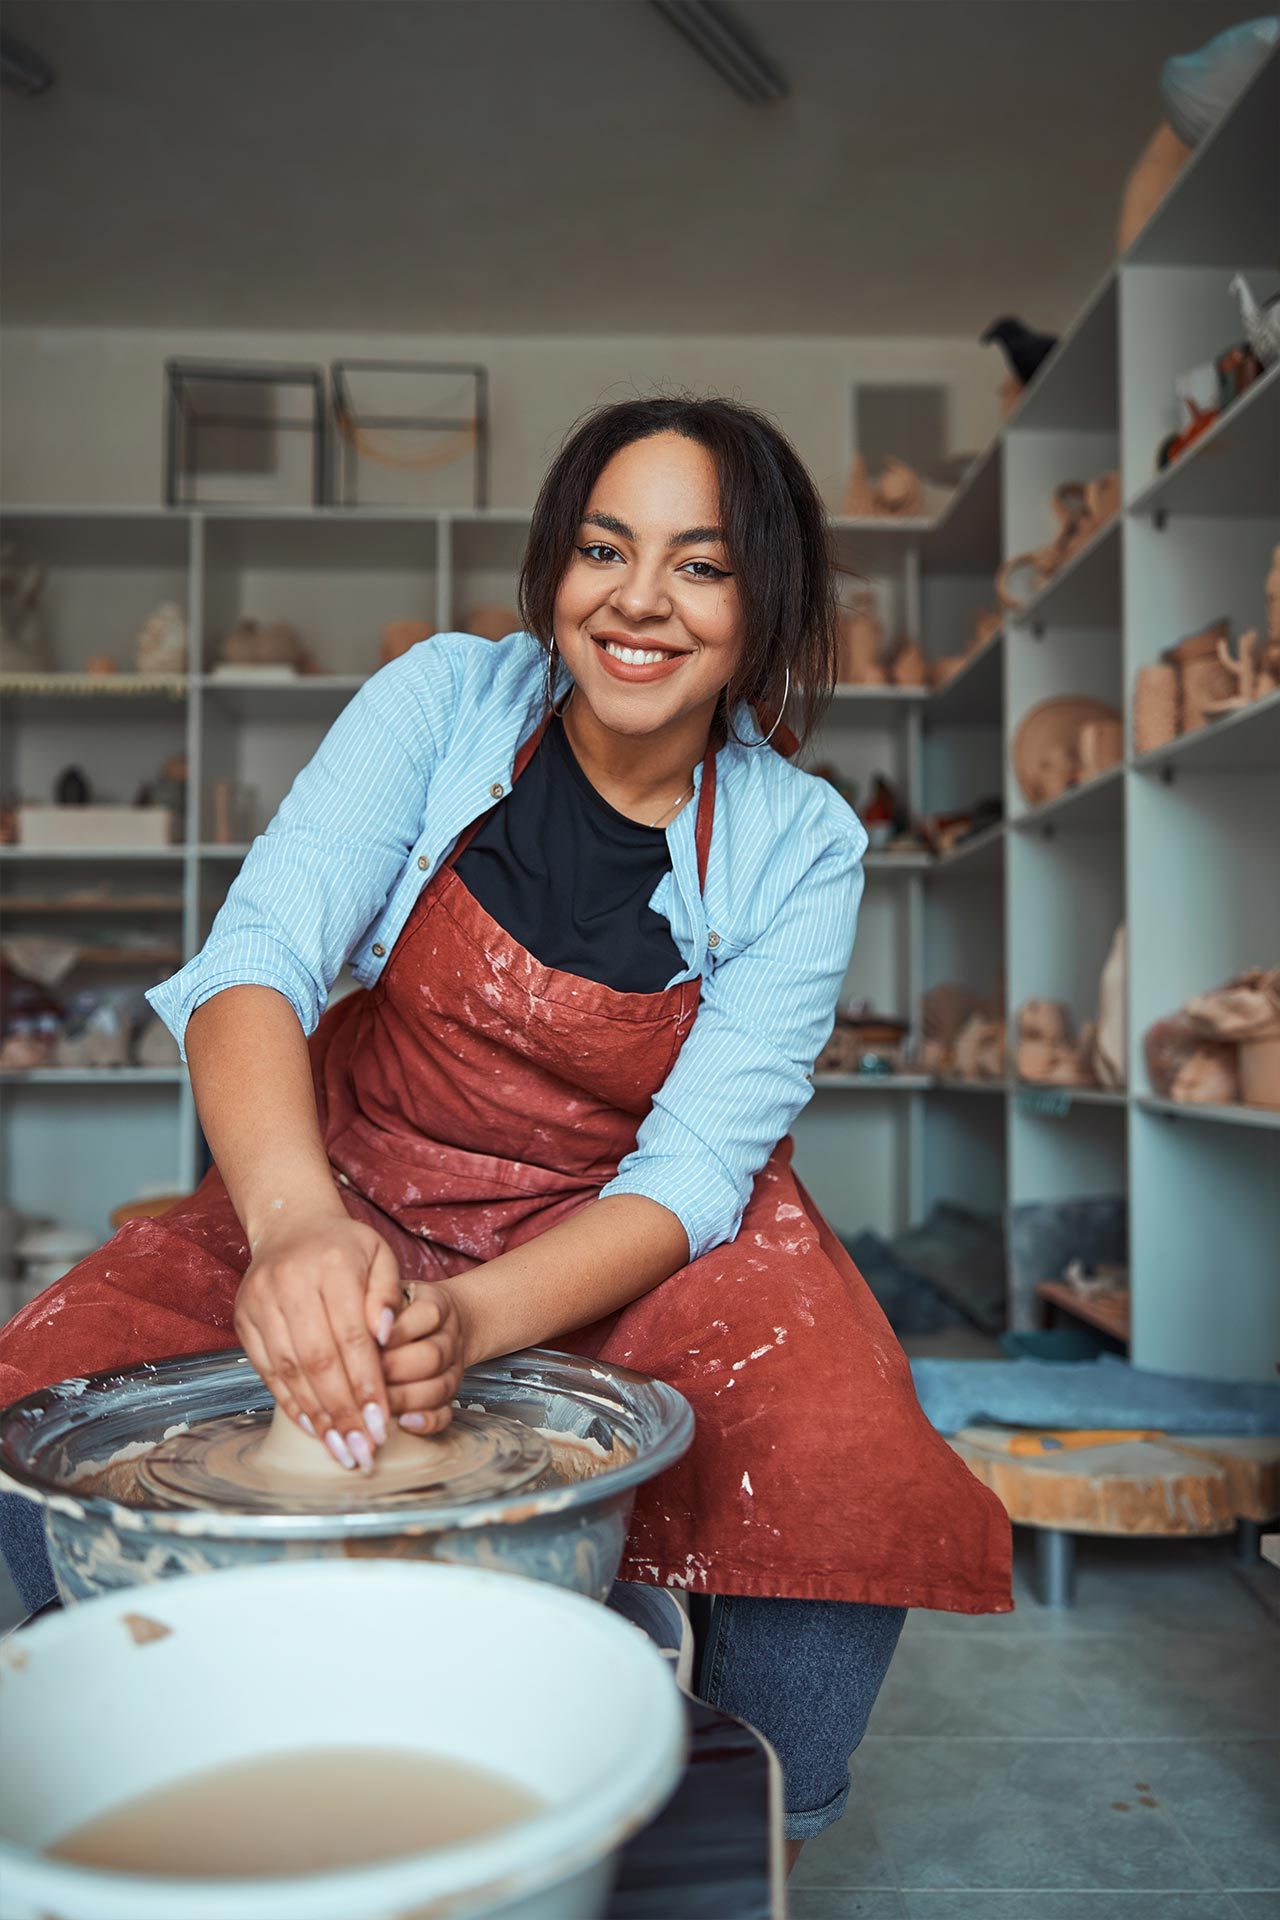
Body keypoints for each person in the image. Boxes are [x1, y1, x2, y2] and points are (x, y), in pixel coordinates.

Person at [0, 394, 1012, 1859]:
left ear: (766, 605)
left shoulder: (804, 843)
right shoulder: (444, 703)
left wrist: (464, 1328)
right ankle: (230, 1746)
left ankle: (727, 1820)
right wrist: (293, 1232)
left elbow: (694, 1173)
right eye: (606, 549)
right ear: (555, 569)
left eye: (702, 565)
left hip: (633, 1235)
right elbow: (256, 962)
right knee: (49, 1424)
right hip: (357, 1176)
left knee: (833, 1482)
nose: (640, 601)